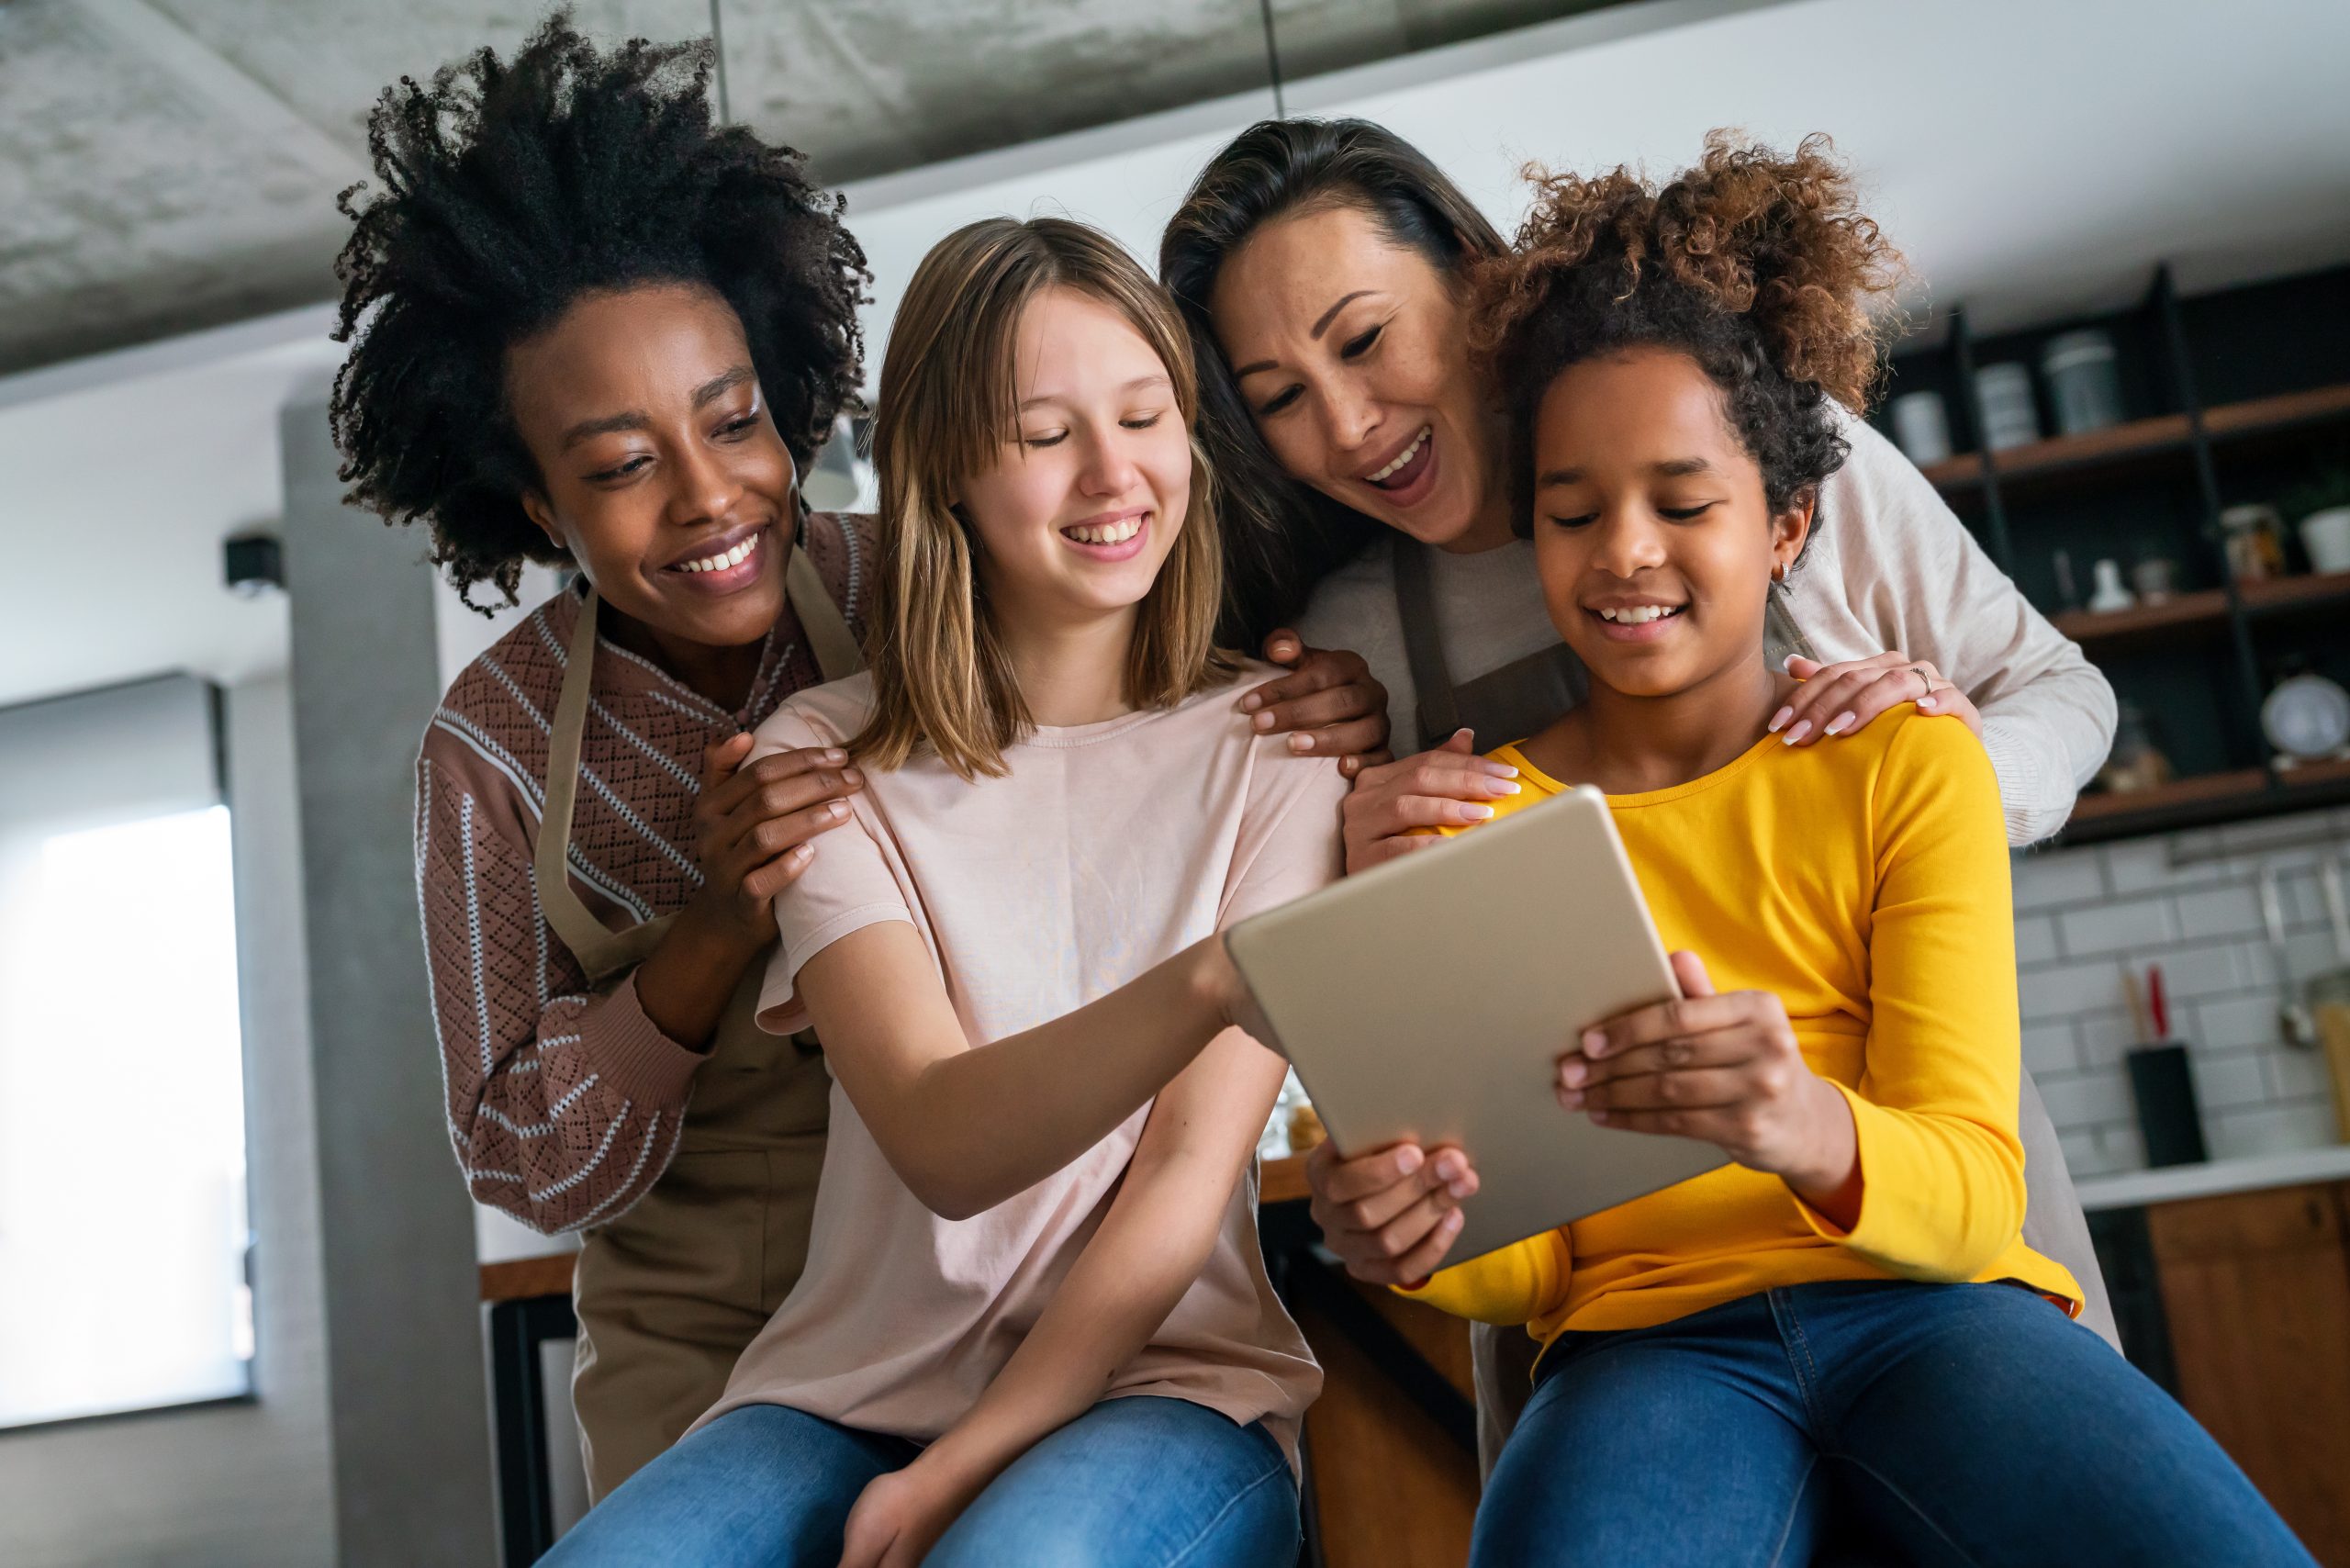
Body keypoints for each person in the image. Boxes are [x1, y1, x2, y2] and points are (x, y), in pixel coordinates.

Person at [331, 21, 1382, 1500]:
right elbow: (523, 1164)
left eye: (734, 421)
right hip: (732, 1338)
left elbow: (1135, 642)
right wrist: (714, 932)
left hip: (1060, 1280)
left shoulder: (929, 572)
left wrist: (1326, 686)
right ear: (529, 501)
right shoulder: (492, 753)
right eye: (623, 467)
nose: (711, 498)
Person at [1319, 136, 2312, 1568]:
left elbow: (1976, 1185)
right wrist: (1418, 1228)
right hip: (1637, 1353)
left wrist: (1801, 1122)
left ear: (1785, 526)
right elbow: (1527, 1258)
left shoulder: (1907, 760)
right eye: (1573, 512)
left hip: (1937, 1311)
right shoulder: (1472, 826)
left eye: (1684, 502)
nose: (1624, 556)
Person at [1159, 118, 2122, 1440]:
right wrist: (1351, 850)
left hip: (1901, 1193)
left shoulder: (1767, 451)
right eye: (1276, 397)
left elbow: (2067, 695)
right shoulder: (1357, 626)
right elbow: (1393, 999)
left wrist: (1940, 763)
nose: (1345, 423)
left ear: (1469, 277)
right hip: (1612, 1300)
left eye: (1365, 340)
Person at [543, 217, 1334, 1568]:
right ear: (948, 472)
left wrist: (967, 1466)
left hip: (1168, 1384)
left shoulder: (1287, 748)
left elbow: (1183, 1183)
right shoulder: (822, 758)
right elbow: (944, 1141)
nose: (1113, 473)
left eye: (1145, 416)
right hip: (848, 1394)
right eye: (1044, 435)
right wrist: (1213, 977)